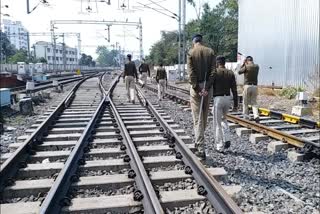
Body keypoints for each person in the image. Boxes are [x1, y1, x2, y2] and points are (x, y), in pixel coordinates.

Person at [187, 34, 216, 160]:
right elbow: (213, 72)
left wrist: (198, 89)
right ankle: (199, 139)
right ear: (201, 41)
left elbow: (191, 73)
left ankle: (200, 147)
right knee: (204, 116)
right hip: (208, 88)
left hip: (196, 88)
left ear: (194, 42)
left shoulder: (191, 52)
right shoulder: (210, 52)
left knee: (197, 118)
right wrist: (207, 88)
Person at [212, 56, 238, 152]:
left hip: (218, 99)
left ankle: (219, 146)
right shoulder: (230, 73)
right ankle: (227, 138)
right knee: (224, 119)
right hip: (228, 98)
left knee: (217, 123)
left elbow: (210, 86)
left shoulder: (214, 72)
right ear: (224, 63)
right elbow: (234, 90)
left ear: (217, 63)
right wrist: (235, 104)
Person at [238, 56, 259, 122]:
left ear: (247, 60)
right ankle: (256, 116)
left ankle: (246, 117)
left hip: (247, 86)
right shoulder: (257, 66)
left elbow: (239, 72)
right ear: (252, 60)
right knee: (254, 102)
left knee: (245, 102)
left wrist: (244, 63)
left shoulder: (246, 67)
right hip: (255, 86)